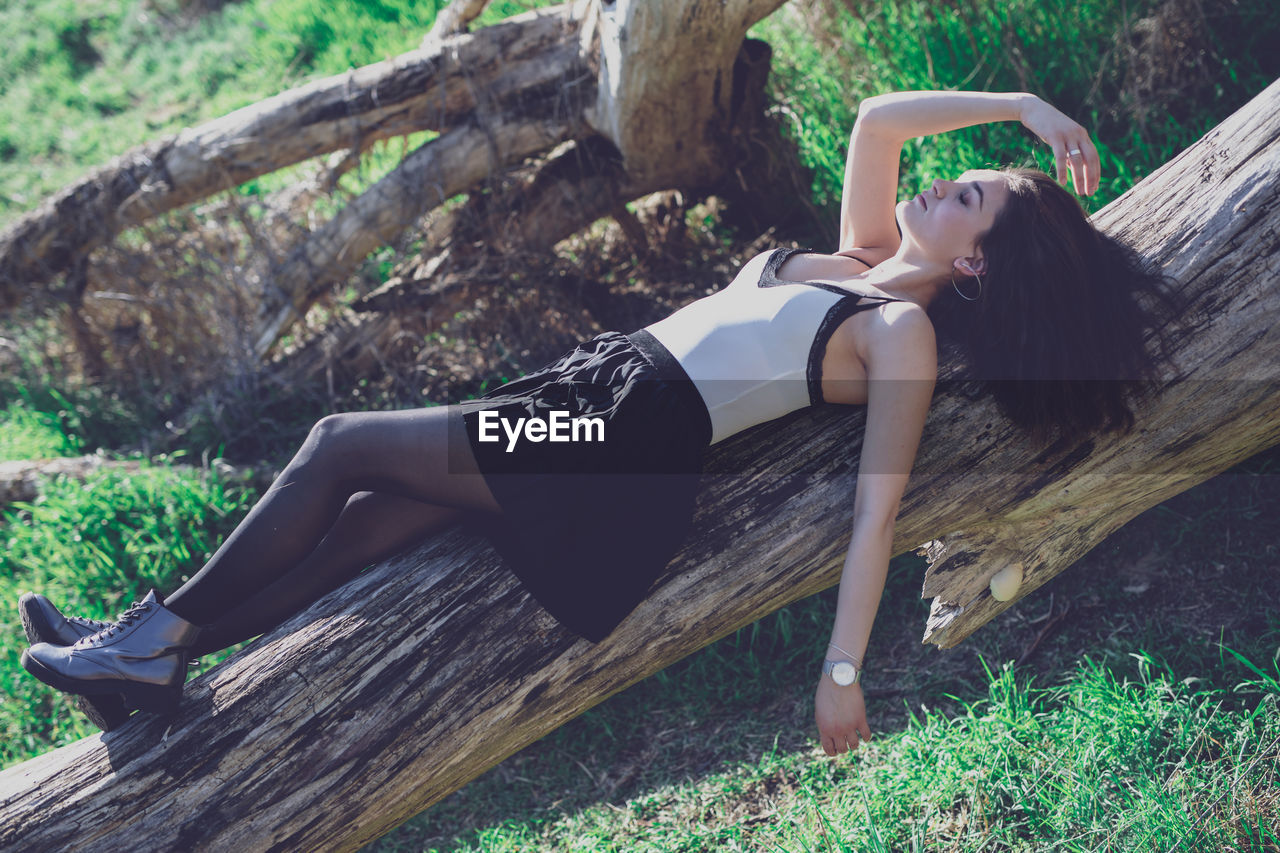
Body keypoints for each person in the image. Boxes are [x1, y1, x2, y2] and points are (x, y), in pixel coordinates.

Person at [18, 90, 1175, 755]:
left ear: (973, 262)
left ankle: (148, 635)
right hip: (590, 401)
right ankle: (149, 668)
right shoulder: (864, 260)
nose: (946, 176)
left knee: (339, 445)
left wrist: (838, 671)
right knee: (367, 515)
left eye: (969, 192)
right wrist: (1019, 107)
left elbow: (876, 514)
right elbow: (876, 118)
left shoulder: (899, 337)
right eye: (967, 169)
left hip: (616, 446)